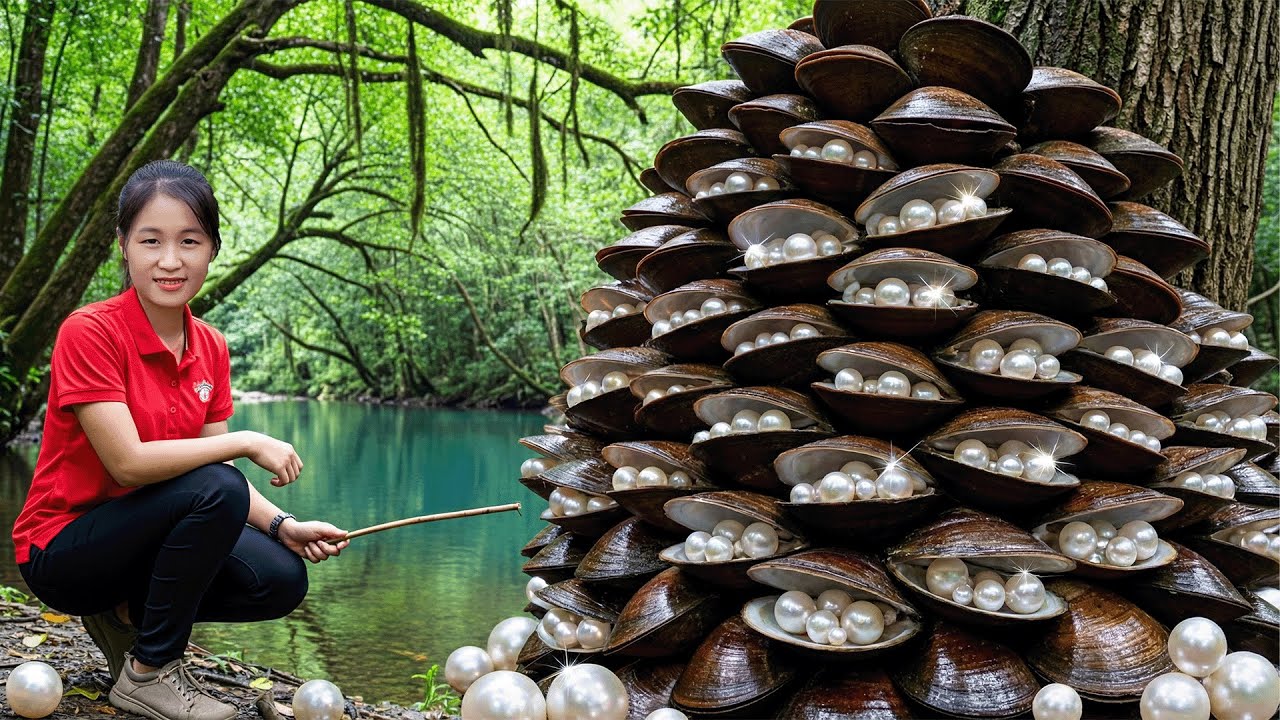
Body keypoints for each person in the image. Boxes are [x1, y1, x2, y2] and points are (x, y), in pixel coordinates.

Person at [11, 160, 350, 720]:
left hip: (144, 540)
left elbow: (220, 486)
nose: (170, 261)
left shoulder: (211, 346)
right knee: (216, 481)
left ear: (213, 248)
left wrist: (284, 526)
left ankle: (127, 616)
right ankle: (149, 674)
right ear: (123, 245)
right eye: (151, 241)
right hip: (64, 548)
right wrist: (245, 439)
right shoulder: (90, 331)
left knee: (280, 579)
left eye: (189, 241)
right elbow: (129, 464)